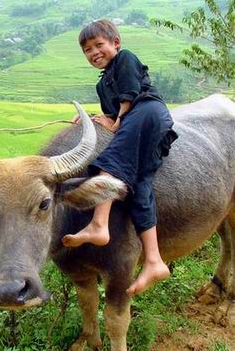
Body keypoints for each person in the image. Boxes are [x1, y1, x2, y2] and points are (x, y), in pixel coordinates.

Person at [62, 19, 178, 296]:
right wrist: (90, 119)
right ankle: (154, 260)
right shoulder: (103, 85)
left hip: (148, 112)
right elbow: (112, 114)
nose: (94, 52)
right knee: (139, 186)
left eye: (99, 45)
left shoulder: (126, 58)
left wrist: (116, 123)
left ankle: (99, 225)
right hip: (136, 121)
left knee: (111, 161)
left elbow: (129, 98)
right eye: (87, 50)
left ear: (116, 43)